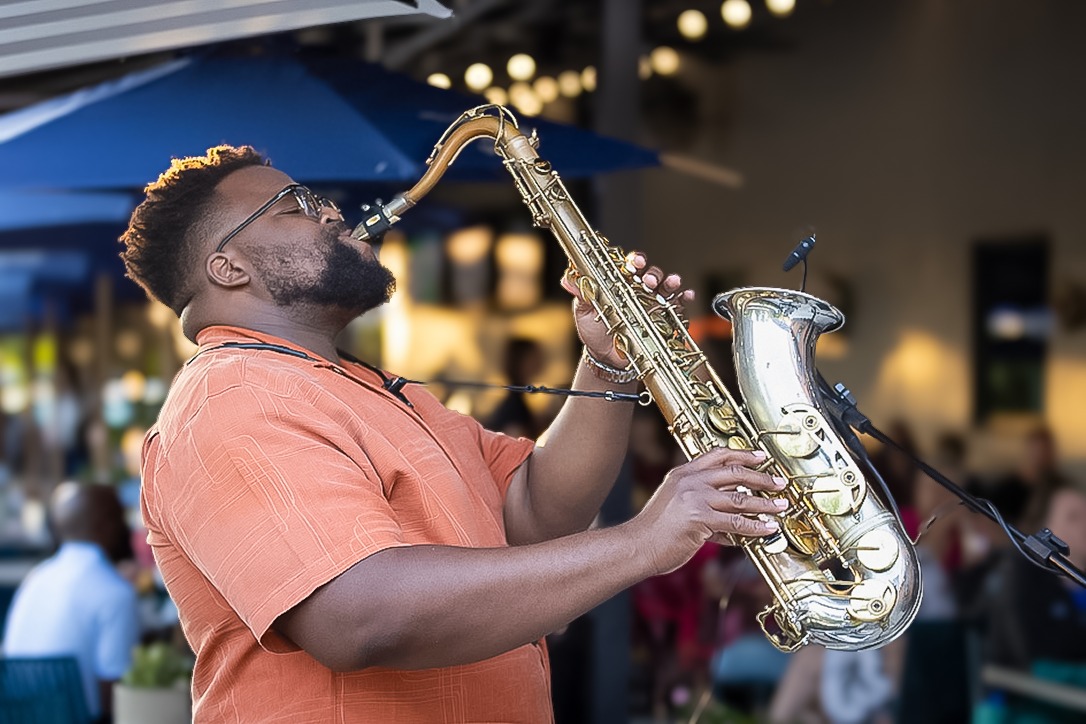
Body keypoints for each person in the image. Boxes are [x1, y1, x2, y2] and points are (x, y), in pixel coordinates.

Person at [117, 145, 788, 723]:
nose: (331, 213)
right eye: (295, 206)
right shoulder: (235, 397)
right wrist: (644, 541)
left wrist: (607, 364)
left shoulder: (370, 388)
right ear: (228, 268)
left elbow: (532, 511)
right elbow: (359, 616)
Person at [2, 482, 140, 722]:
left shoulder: (36, 578)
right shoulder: (115, 592)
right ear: (105, 526)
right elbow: (114, 696)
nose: (126, 528)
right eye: (120, 518)